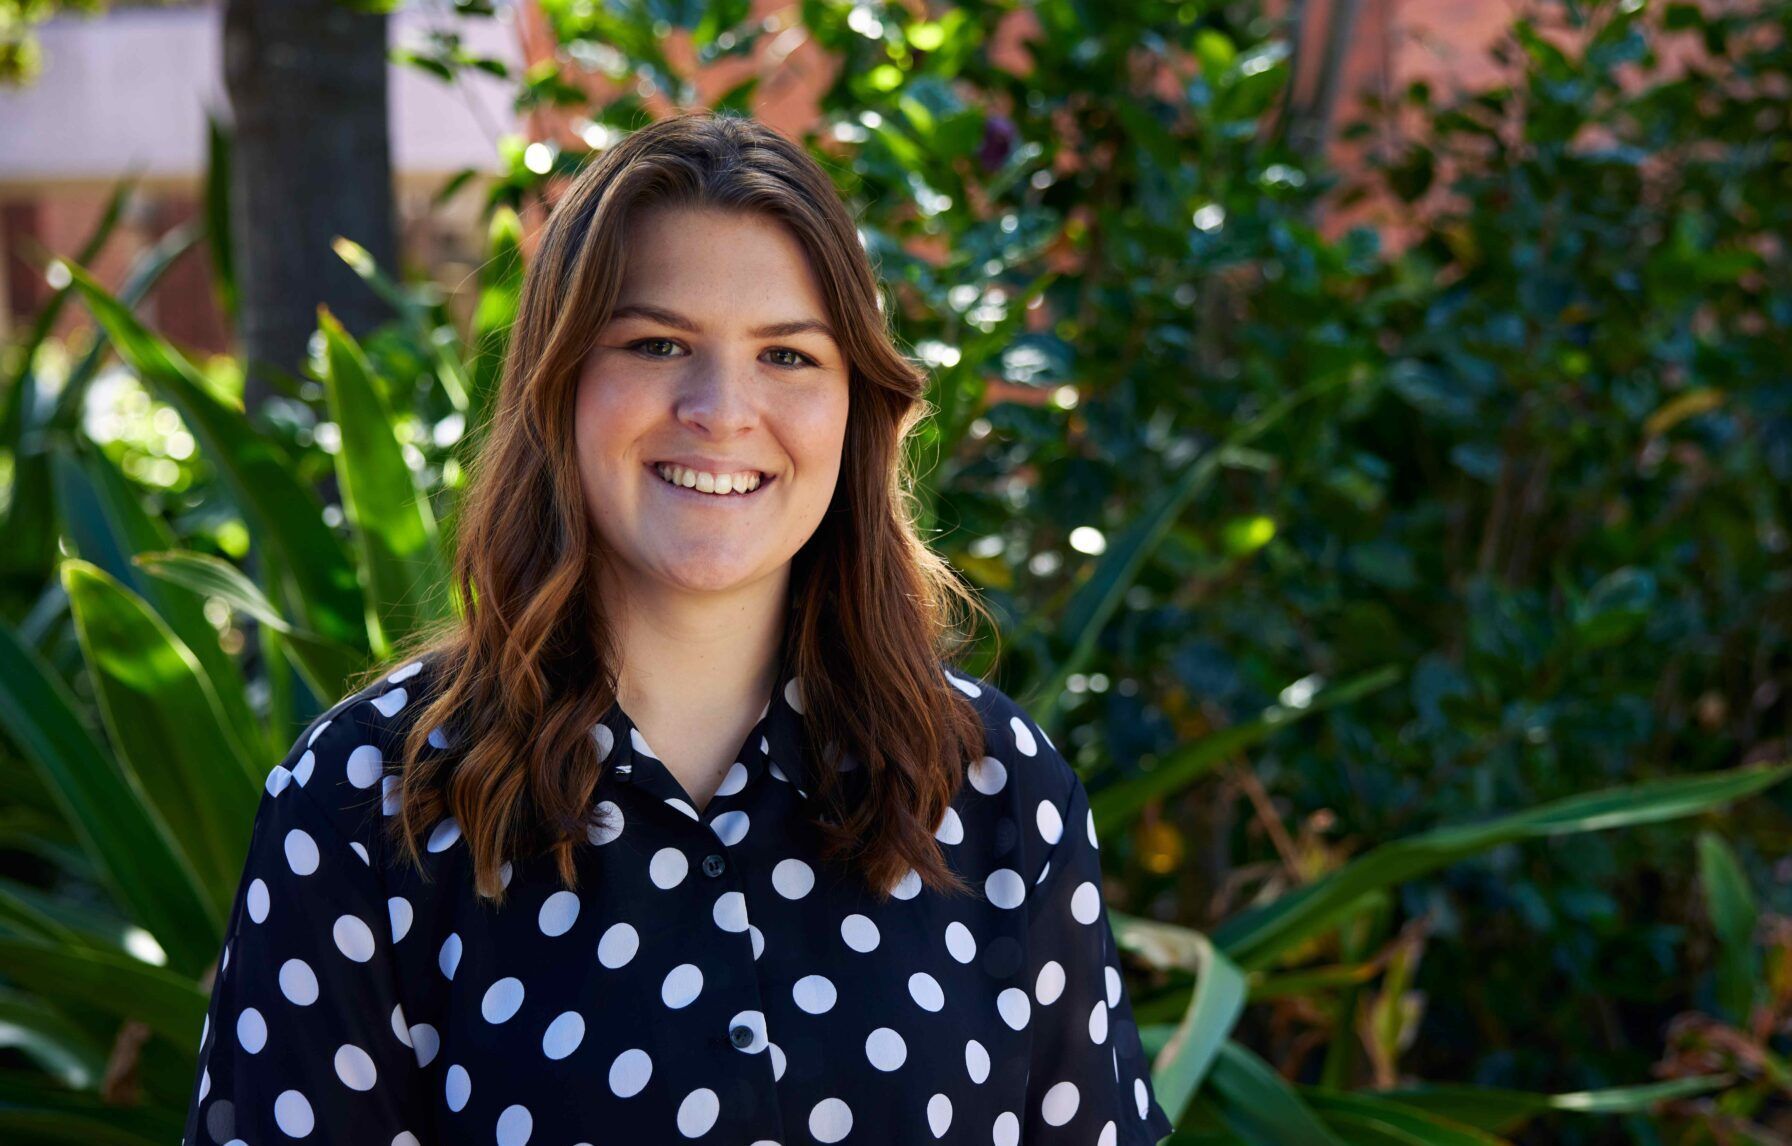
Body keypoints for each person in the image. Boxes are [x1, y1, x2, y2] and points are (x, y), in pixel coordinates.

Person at [182, 109, 1175, 1146]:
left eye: (788, 356)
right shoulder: (365, 802)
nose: (721, 407)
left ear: (856, 408)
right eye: (657, 344)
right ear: (557, 387)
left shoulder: (995, 789)